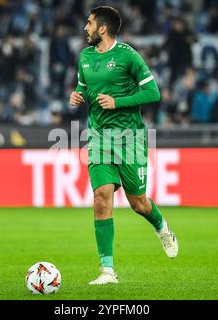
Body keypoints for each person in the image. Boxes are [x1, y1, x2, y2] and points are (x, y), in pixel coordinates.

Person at [69, 6, 178, 285]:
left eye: (89, 23)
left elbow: (153, 92)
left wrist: (119, 102)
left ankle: (161, 227)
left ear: (102, 29)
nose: (85, 28)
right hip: (99, 138)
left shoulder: (128, 56)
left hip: (130, 139)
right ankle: (107, 270)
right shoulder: (85, 57)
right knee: (102, 196)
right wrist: (78, 96)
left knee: (138, 204)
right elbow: (84, 87)